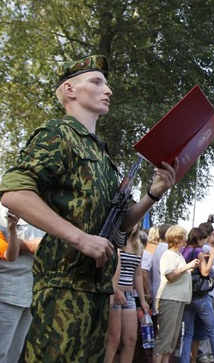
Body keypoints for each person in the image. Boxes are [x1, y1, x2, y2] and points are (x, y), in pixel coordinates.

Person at [0, 55, 177, 362]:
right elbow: (14, 191)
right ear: (70, 90)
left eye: (106, 83)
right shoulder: (58, 134)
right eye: (96, 82)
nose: (107, 89)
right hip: (61, 288)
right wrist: (80, 238)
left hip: (97, 293)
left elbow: (121, 224)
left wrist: (152, 194)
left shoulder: (101, 154)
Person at [0, 206, 42, 363]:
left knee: (14, 354)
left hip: (30, 294)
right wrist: (28, 244)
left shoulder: (40, 208)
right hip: (7, 294)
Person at [104, 224, 150, 363]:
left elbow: (137, 275)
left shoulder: (138, 246)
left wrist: (142, 300)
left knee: (131, 339)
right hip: (114, 294)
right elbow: (107, 270)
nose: (134, 225)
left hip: (129, 296)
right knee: (113, 340)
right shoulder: (115, 242)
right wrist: (115, 290)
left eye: (137, 222)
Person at [153, 225, 198, 363]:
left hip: (177, 299)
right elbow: (170, 275)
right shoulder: (169, 255)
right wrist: (187, 267)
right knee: (164, 339)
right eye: (183, 236)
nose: (186, 239)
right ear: (177, 238)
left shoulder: (178, 255)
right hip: (169, 299)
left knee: (171, 341)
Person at [180, 227, 214, 363]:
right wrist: (211, 256)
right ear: (199, 239)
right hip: (201, 297)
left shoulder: (184, 251)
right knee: (213, 331)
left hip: (187, 295)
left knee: (187, 333)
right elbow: (205, 272)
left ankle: (184, 360)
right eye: (203, 239)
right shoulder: (199, 251)